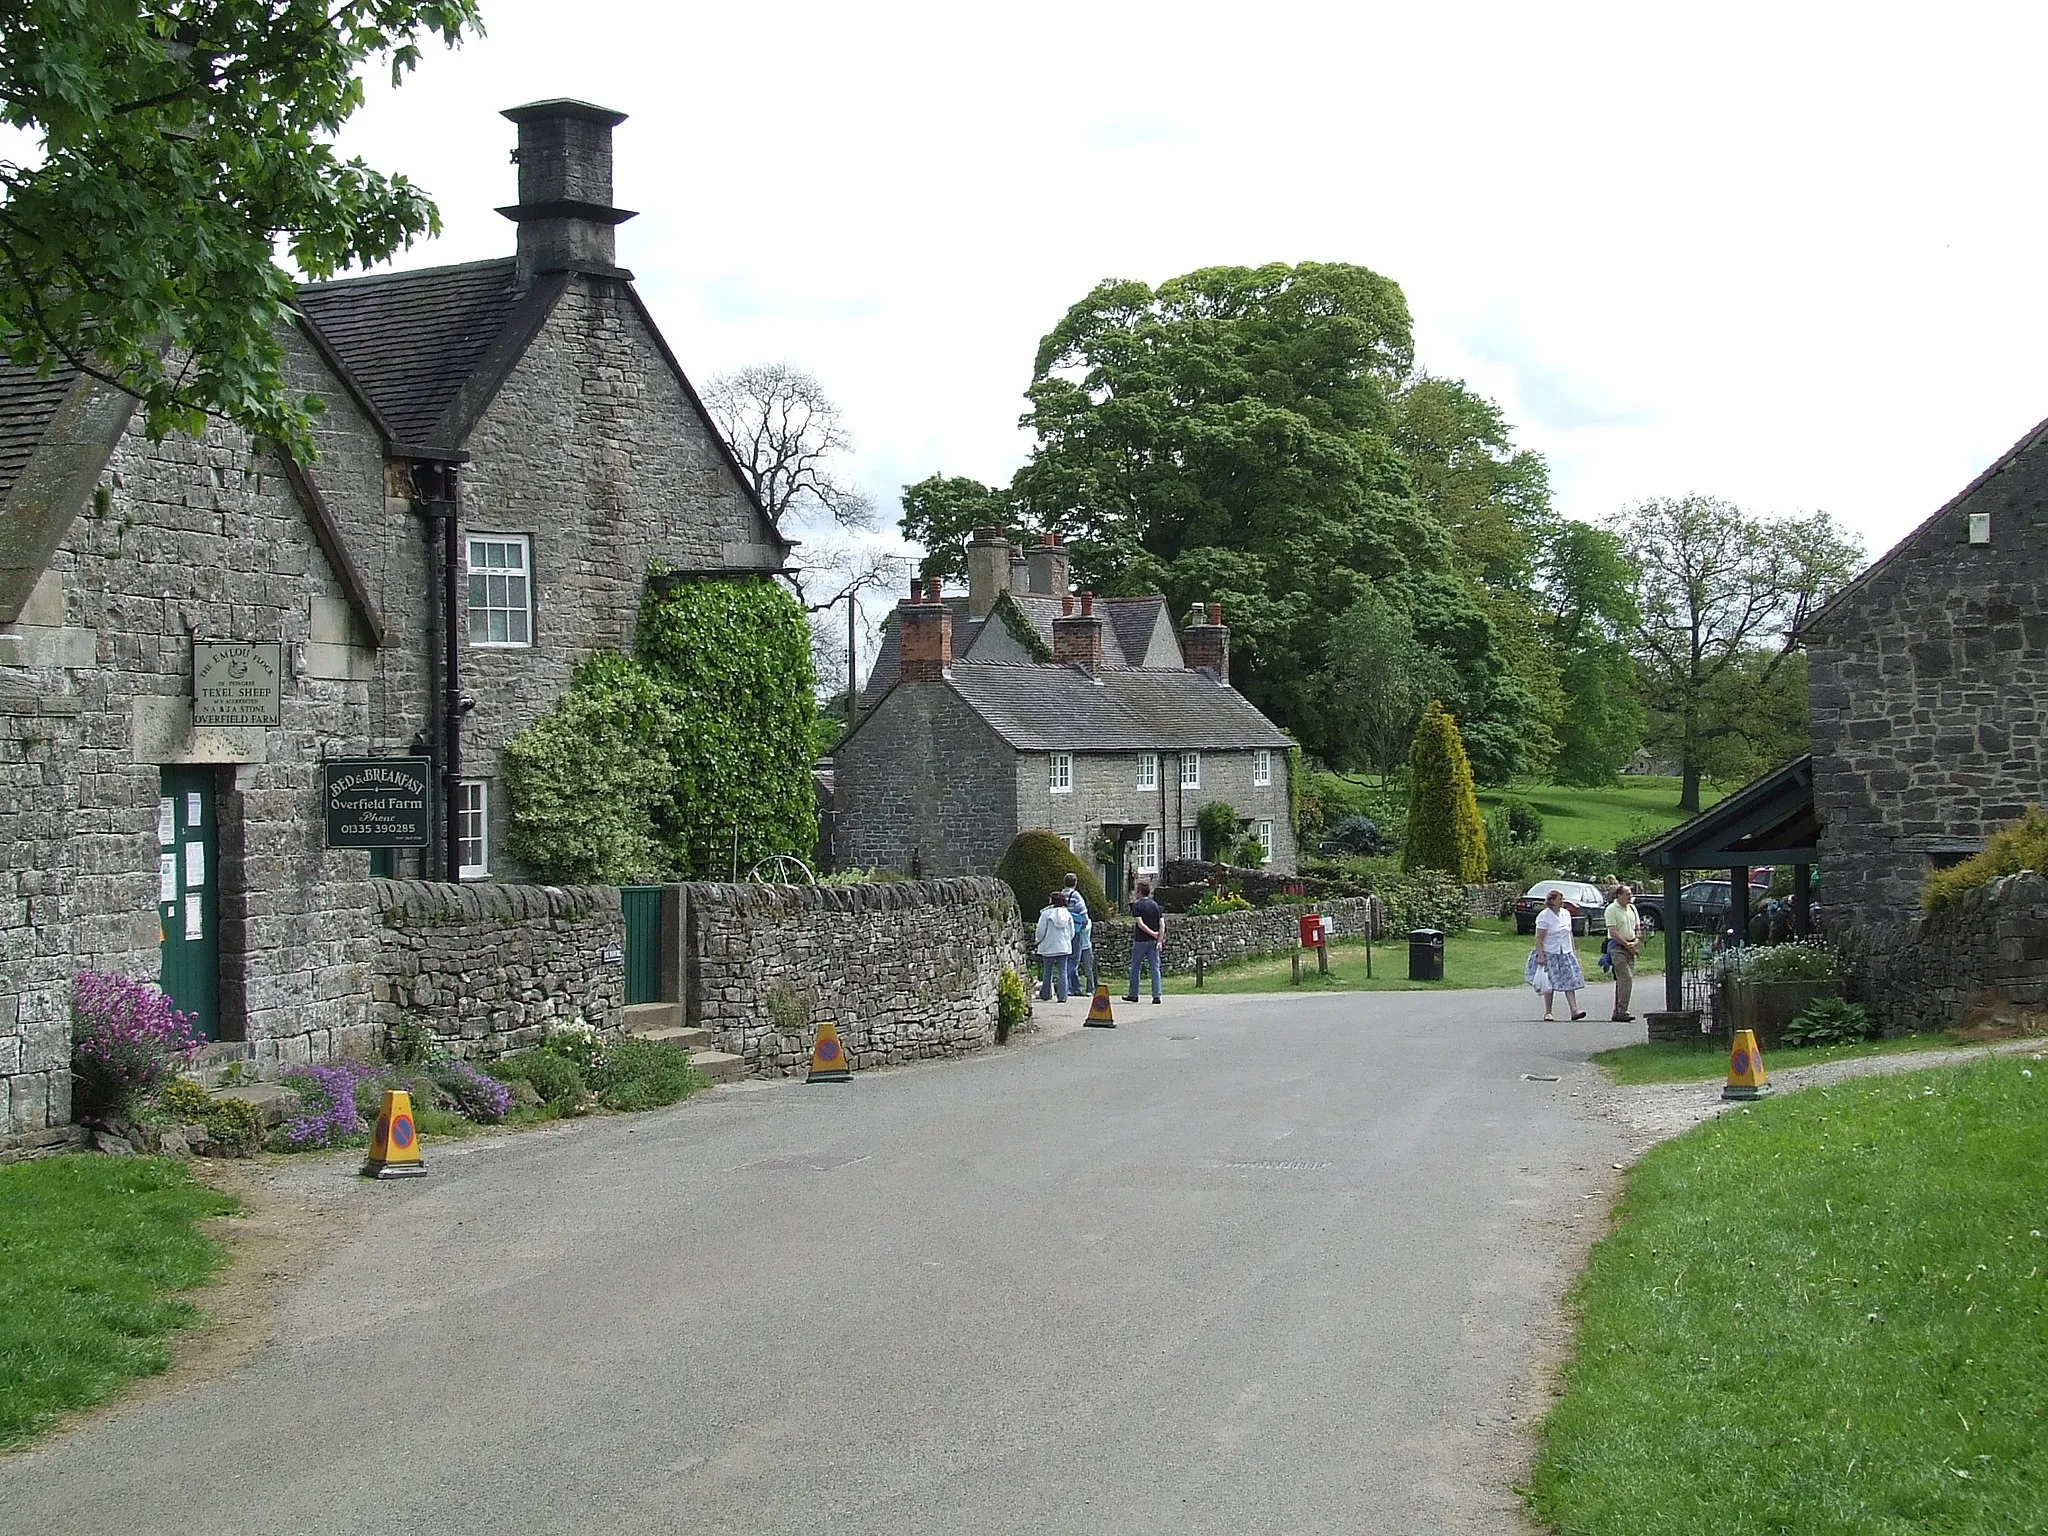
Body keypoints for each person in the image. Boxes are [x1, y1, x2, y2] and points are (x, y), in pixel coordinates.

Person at [1530, 887, 1586, 1021]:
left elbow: (1569, 934)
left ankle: (1574, 1010)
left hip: (1565, 951)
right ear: (1552, 901)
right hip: (1550, 952)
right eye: (1560, 899)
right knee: (1549, 983)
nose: (1562, 901)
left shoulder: (1565, 914)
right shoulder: (1544, 916)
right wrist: (1541, 955)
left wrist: (1573, 950)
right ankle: (1548, 1012)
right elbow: (1539, 938)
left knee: (1569, 981)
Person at [1603, 883, 1641, 1023]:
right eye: (1627, 894)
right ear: (1618, 895)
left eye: (1630, 894)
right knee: (1626, 978)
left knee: (1623, 981)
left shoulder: (1632, 908)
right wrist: (1626, 944)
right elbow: (1613, 931)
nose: (1630, 896)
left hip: (1631, 946)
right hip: (1617, 947)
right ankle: (1622, 1011)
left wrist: (1635, 942)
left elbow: (1637, 927)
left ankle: (1617, 1011)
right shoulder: (1612, 909)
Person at [1123, 880, 1165, 1004]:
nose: (1135, 893)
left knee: (1135, 966)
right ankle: (1156, 995)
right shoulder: (1156, 905)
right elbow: (1162, 924)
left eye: (1137, 890)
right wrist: (1159, 939)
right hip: (1154, 942)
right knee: (1155, 967)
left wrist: (1152, 933)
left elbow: (1140, 924)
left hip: (1140, 940)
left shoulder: (1137, 906)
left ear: (1140, 892)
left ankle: (1133, 993)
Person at [1034, 890, 1074, 1002]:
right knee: (1063, 971)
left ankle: (1046, 995)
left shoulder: (1046, 914)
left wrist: (1038, 941)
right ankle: (1062, 996)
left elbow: (1041, 931)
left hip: (1048, 946)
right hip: (1063, 946)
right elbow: (1072, 932)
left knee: (1048, 971)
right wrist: (1067, 941)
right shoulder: (1067, 913)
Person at [1062, 874, 1096, 996]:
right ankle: (1063, 980)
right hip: (1076, 930)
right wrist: (1084, 923)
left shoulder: (1061, 895)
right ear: (1075, 883)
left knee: (1067, 958)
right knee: (1075, 960)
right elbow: (1083, 913)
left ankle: (1073, 987)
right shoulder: (1075, 895)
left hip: (1064, 931)